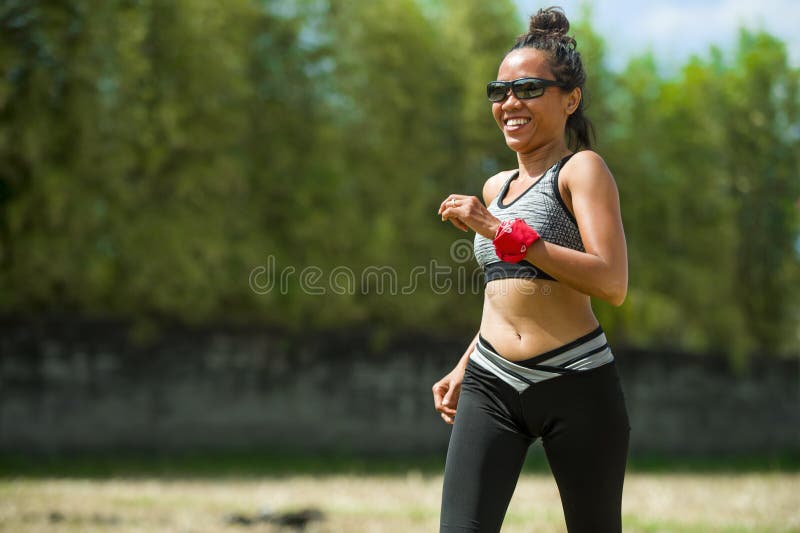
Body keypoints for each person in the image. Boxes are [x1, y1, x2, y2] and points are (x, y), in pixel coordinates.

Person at [432, 7, 630, 533]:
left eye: (527, 88)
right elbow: (504, 292)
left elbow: (610, 281)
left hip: (577, 378)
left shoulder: (582, 170)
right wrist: (465, 362)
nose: (510, 102)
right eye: (500, 90)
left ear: (571, 99)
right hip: (491, 379)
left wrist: (498, 231)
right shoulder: (496, 188)